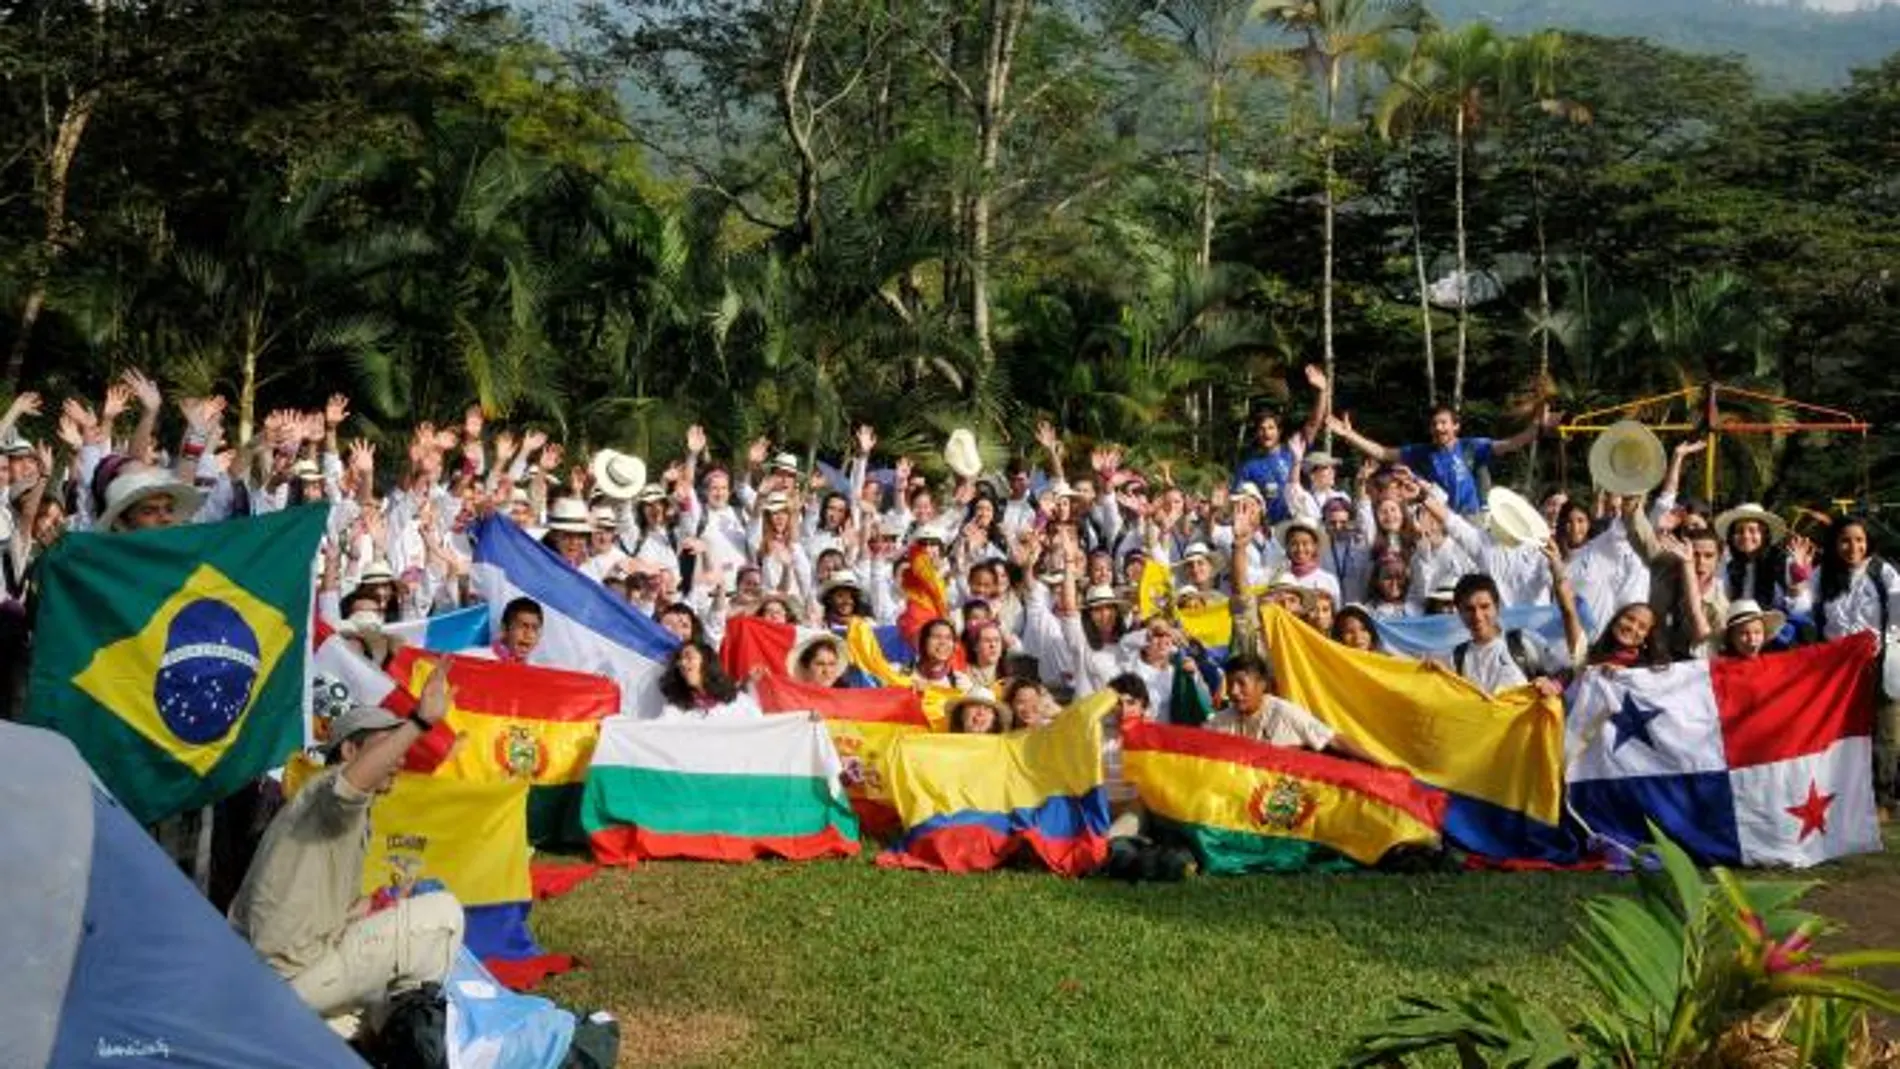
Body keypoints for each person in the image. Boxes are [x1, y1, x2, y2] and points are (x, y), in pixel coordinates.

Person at [228, 668, 465, 1030]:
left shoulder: (328, 809)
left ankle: (375, 1028)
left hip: (264, 976)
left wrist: (385, 899)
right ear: (350, 750)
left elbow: (335, 913)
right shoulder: (328, 791)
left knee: (359, 1019)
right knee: (444, 915)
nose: (399, 758)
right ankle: (413, 1036)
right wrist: (418, 722)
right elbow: (353, 781)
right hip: (282, 981)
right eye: (389, 745)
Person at [1327, 403, 1560, 516]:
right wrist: (1350, 435)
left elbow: (1511, 444)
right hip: (1438, 519)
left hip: (1472, 519)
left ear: (1456, 426)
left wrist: (1536, 428)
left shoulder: (1470, 447)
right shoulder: (1422, 452)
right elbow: (1383, 453)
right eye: (1434, 424)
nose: (1439, 428)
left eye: (1444, 423)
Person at [1810, 517, 1900, 806]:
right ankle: (1844, 796)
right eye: (1845, 540)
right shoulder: (1822, 574)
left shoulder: (1881, 571)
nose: (1853, 547)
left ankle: (1882, 798)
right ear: (1835, 543)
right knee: (1842, 732)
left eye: (1859, 540)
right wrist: (1798, 578)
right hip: (1835, 670)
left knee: (1884, 731)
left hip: (1881, 663)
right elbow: (1802, 607)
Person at [1435, 559, 1583, 697]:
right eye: (1469, 609)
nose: (1478, 616)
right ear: (1459, 612)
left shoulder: (1522, 642)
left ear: (1497, 607)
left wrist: (1554, 686)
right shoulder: (1455, 659)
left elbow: (1568, 670)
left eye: (1484, 607)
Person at [1206, 654, 1382, 764]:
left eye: (1241, 684)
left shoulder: (1285, 713)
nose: (1234, 692)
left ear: (1262, 685)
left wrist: (1380, 765)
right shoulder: (1222, 720)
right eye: (1230, 684)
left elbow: (1334, 739)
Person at [1232, 364, 1331, 521]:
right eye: (1262, 429)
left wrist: (1322, 392)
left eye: (1271, 428)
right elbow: (1238, 499)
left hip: (1301, 524)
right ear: (1257, 433)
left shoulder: (1293, 449)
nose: (1266, 433)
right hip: (1270, 530)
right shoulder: (1249, 466)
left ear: (1279, 431)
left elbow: (1314, 424)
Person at [657, 640, 761, 718]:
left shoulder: (739, 701)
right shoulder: (674, 709)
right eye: (679, 660)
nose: (682, 663)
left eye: (689, 657)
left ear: (707, 662)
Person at [1585, 603, 1668, 669]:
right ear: (1616, 620)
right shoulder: (1590, 655)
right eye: (1629, 618)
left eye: (1642, 627)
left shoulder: (1649, 669)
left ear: (1647, 636)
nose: (1632, 627)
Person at [1720, 599, 1785, 660]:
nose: (1752, 639)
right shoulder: (1718, 666)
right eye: (1744, 633)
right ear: (1731, 637)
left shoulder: (1771, 662)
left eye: (1757, 632)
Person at [488, 596, 543, 663]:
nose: (529, 635)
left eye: (535, 628)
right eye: (523, 626)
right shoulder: (476, 658)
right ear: (505, 629)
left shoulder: (537, 670)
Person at [947, 689, 1013, 734]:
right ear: (961, 714)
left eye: (987, 708)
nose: (981, 712)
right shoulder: (944, 747)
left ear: (994, 720)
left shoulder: (1004, 748)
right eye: (975, 705)